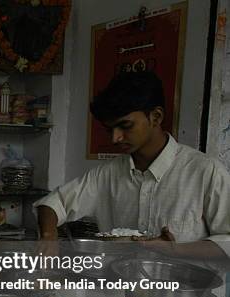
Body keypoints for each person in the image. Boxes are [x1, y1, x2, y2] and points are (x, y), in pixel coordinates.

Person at [34, 71, 230, 261]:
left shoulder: (206, 172)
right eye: (109, 129)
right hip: (122, 291)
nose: (115, 138)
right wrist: (49, 237)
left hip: (185, 293)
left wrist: (175, 250)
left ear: (156, 117)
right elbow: (52, 203)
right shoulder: (108, 174)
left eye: (125, 126)